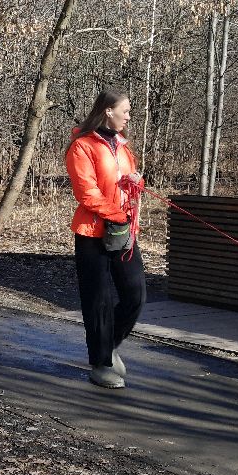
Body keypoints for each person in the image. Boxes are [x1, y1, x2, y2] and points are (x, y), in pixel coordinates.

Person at [65, 88, 145, 389]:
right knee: (98, 300)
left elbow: (127, 181)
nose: (128, 116)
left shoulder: (123, 148)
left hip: (124, 231)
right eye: (124, 110)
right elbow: (87, 193)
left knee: (136, 294)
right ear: (108, 111)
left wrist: (135, 182)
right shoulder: (82, 146)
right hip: (92, 233)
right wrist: (115, 213)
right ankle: (101, 363)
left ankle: (108, 345)